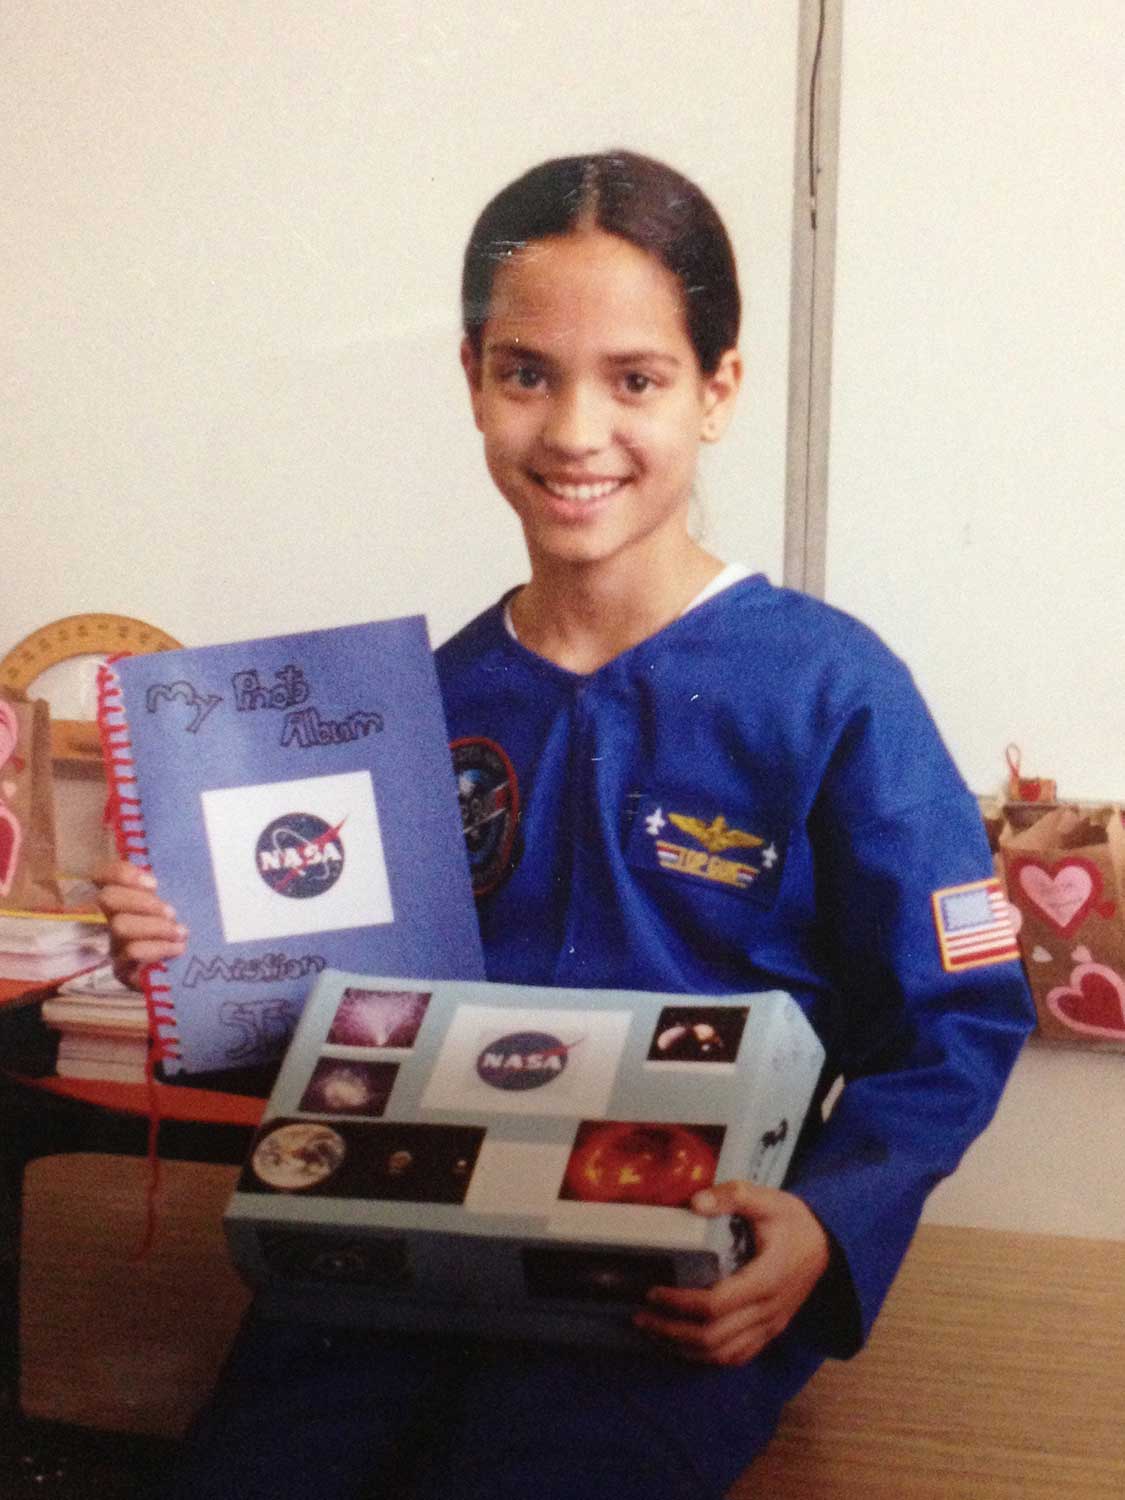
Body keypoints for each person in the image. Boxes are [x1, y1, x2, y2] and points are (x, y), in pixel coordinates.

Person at [96, 150, 1035, 1499]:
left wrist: (824, 1229)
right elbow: (340, 1035)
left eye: (635, 378)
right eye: (527, 372)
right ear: (473, 377)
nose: (574, 430)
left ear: (717, 392)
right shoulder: (406, 706)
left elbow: (956, 1014)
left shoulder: (829, 687)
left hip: (664, 1277)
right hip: (385, 1263)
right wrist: (194, 960)